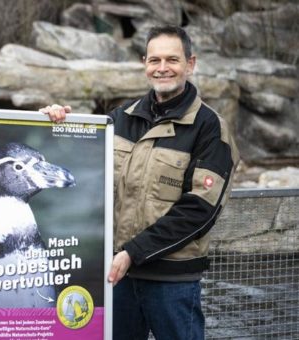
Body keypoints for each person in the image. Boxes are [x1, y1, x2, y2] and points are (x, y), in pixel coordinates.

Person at [41, 25, 239, 340]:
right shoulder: (119, 118)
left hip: (172, 284)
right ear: (144, 63)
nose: (162, 68)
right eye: (154, 60)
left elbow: (199, 211)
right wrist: (51, 125)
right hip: (117, 277)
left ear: (190, 64)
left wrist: (134, 251)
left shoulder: (210, 129)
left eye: (172, 60)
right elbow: (79, 174)